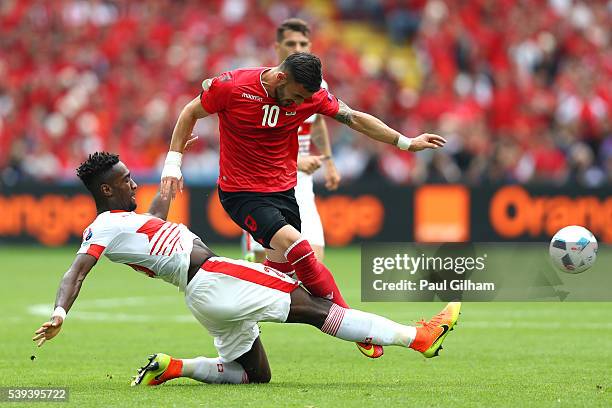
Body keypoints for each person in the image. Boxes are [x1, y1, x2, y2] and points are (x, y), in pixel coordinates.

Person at [32, 152, 461, 385]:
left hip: (203, 299)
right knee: (315, 307)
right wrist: (59, 312)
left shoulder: (125, 223)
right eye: (125, 180)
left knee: (254, 375)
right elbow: (76, 272)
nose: (131, 183)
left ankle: (176, 366)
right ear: (106, 189)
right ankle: (417, 338)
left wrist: (169, 176)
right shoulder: (103, 226)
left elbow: (155, 220)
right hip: (214, 275)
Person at [160, 51, 446, 358]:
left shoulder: (310, 95)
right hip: (242, 193)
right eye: (296, 96)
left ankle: (242, 318)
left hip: (284, 191)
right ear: (281, 77)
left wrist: (406, 142)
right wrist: (172, 165)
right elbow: (190, 111)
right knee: (300, 246)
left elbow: (354, 118)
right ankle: (355, 324)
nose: (298, 105)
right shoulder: (233, 86)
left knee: (279, 280)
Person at [242, 18, 340, 264]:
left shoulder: (317, 86)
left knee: (314, 260)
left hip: (302, 183)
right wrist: (296, 161)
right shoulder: (263, 86)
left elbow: (317, 123)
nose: (298, 48)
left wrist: (328, 161)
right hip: (265, 182)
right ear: (277, 47)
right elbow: (252, 143)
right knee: (265, 265)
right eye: (291, 43)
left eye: (303, 43)